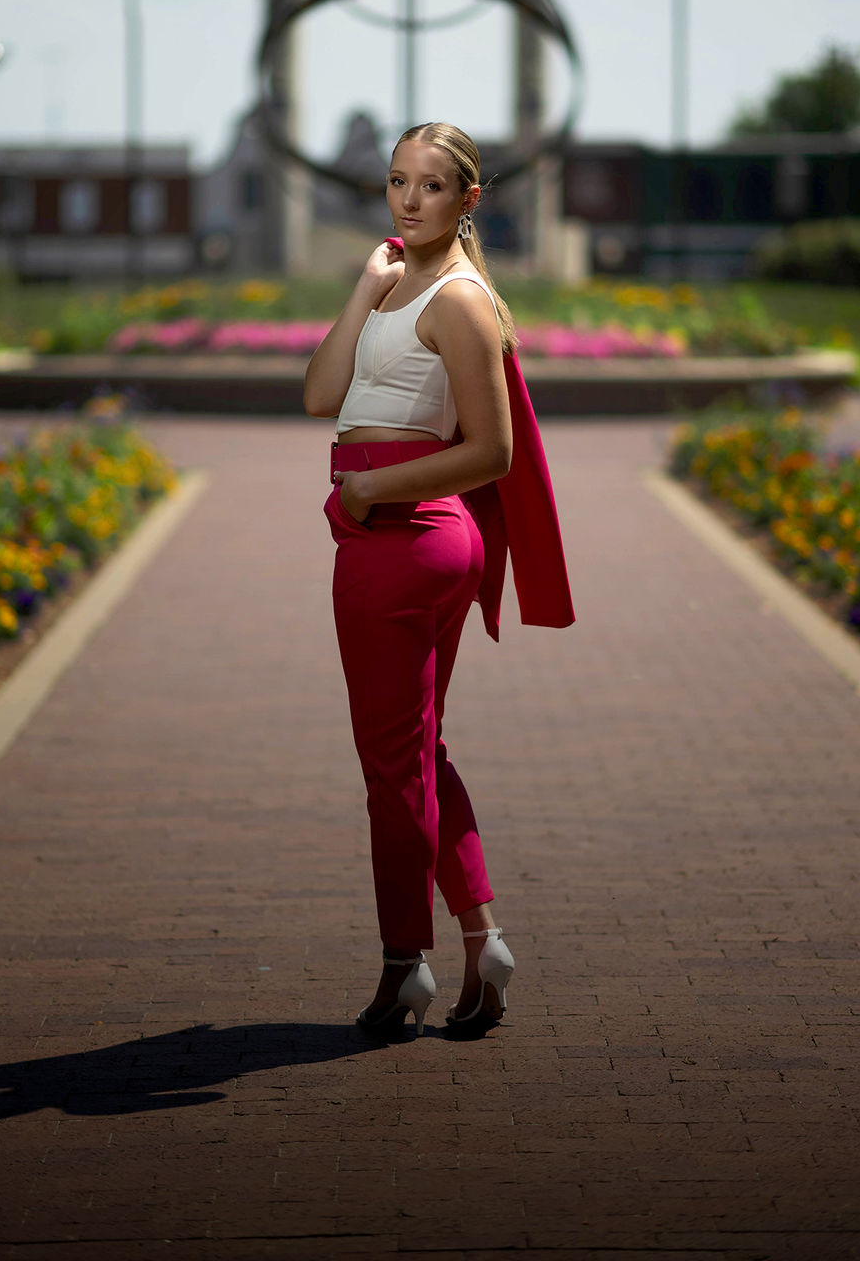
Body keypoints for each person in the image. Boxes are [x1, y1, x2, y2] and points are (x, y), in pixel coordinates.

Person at [304, 121, 572, 1039]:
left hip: (406, 538)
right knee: (418, 750)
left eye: (429, 186)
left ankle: (401, 965)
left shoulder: (459, 301)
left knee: (389, 766)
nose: (408, 200)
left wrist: (370, 486)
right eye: (394, 183)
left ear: (469, 200)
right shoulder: (397, 285)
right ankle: (483, 940)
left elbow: (491, 452)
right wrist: (363, 290)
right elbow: (316, 395)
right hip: (389, 536)